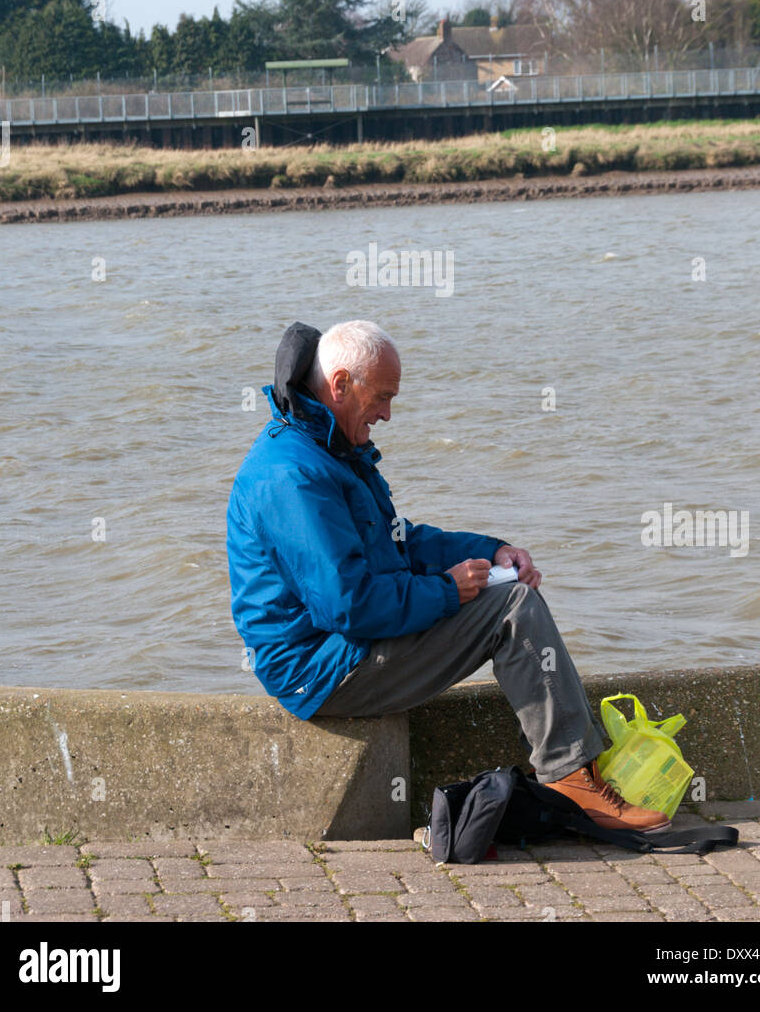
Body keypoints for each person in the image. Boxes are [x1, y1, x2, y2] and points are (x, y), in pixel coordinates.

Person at [226, 319, 670, 832]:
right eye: (384, 397)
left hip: (345, 644)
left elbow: (402, 542)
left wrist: (493, 551)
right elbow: (345, 603)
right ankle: (571, 777)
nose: (389, 414)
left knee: (511, 592)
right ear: (341, 384)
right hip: (320, 670)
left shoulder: (329, 449)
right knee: (511, 611)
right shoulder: (293, 472)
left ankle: (577, 771)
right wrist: (446, 591)